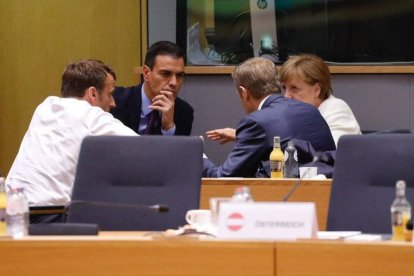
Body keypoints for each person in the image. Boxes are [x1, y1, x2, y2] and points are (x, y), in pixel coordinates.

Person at [6, 60, 138, 221]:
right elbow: (142, 148)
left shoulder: (45, 107)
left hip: (10, 213)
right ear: (93, 94)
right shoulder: (89, 114)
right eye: (110, 94)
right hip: (49, 216)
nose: (113, 103)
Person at [203, 57, 336, 178]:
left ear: (244, 93)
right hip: (324, 196)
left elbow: (224, 177)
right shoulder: (311, 110)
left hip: (283, 199)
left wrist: (199, 158)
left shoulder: (255, 122)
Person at [110, 41, 193, 135]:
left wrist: (168, 127)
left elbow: (181, 149)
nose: (174, 83)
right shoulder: (114, 101)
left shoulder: (183, 111)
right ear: (146, 73)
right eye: (165, 74)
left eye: (179, 75)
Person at [279, 54, 361, 146]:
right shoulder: (291, 114)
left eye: (294, 88)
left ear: (316, 90)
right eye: (284, 88)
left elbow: (329, 153)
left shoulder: (338, 111)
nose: (286, 96)